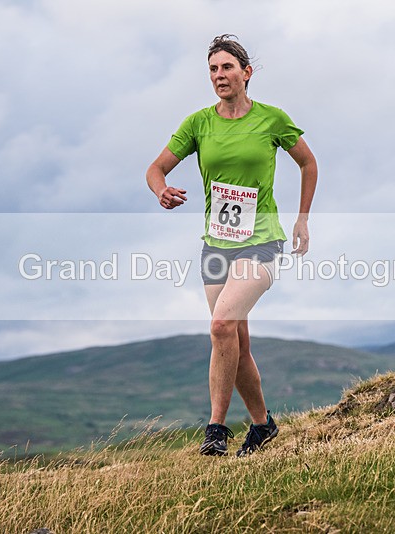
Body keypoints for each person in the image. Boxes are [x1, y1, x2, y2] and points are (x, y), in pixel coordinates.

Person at [145, 34, 317, 457]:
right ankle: (263, 426)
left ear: (246, 73)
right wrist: (161, 190)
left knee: (221, 326)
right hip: (216, 246)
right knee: (233, 341)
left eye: (226, 68)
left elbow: (308, 163)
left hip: (261, 241)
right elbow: (156, 168)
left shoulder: (272, 119)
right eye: (213, 70)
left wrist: (302, 218)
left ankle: (216, 428)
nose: (219, 76)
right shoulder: (199, 123)